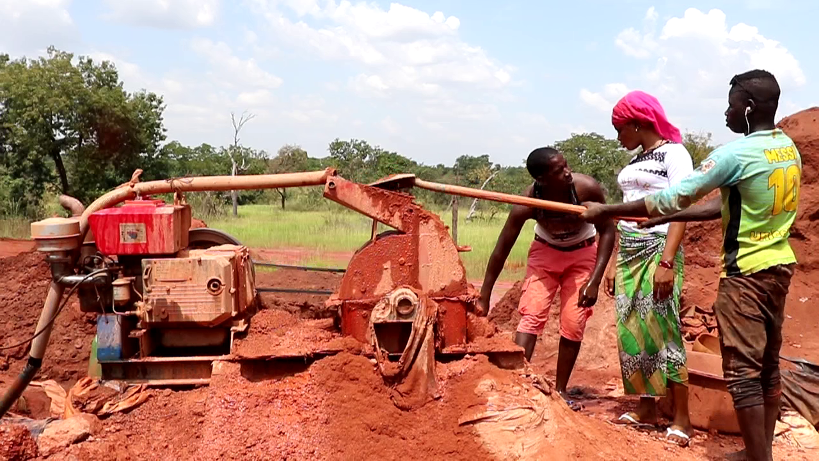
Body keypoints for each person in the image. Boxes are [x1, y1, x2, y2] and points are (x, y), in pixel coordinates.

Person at [581, 70, 800, 461]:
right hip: (779, 268)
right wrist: (663, 219)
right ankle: (758, 450)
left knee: (742, 372)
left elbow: (672, 198)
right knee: (767, 367)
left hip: (744, 275)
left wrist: (608, 210)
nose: (726, 112)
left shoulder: (735, 153)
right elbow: (728, 203)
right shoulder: (785, 148)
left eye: (732, 104)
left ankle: (757, 457)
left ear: (748, 108)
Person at [478, 147, 616, 408]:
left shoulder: (586, 189)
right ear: (541, 180)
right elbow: (501, 248)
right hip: (545, 253)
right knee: (531, 314)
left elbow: (608, 231)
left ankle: (561, 391)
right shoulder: (529, 201)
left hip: (582, 254)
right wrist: (484, 294)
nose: (567, 173)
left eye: (566, 166)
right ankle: (518, 384)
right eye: (558, 171)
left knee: (574, 322)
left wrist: (595, 280)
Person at [605, 90, 695, 447]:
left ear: (639, 124)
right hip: (628, 248)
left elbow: (681, 206)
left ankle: (682, 420)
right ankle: (646, 409)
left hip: (658, 246)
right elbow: (626, 211)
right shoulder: (637, 160)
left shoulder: (675, 154)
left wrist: (668, 261)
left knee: (664, 327)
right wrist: (614, 260)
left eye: (620, 129)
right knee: (632, 329)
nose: (618, 137)